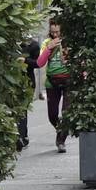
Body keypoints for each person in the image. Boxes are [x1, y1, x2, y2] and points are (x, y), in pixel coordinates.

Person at [34, 20, 71, 153]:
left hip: (68, 81)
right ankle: (59, 128)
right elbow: (39, 63)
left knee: (67, 113)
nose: (55, 35)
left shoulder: (68, 43)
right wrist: (49, 48)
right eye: (52, 32)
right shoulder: (46, 43)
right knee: (52, 114)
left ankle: (61, 141)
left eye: (57, 32)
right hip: (52, 82)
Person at [18, 35, 41, 151]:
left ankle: (21, 137)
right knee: (18, 109)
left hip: (27, 81)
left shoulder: (34, 45)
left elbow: (38, 63)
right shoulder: (12, 45)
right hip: (14, 81)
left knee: (22, 109)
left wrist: (25, 60)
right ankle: (23, 136)